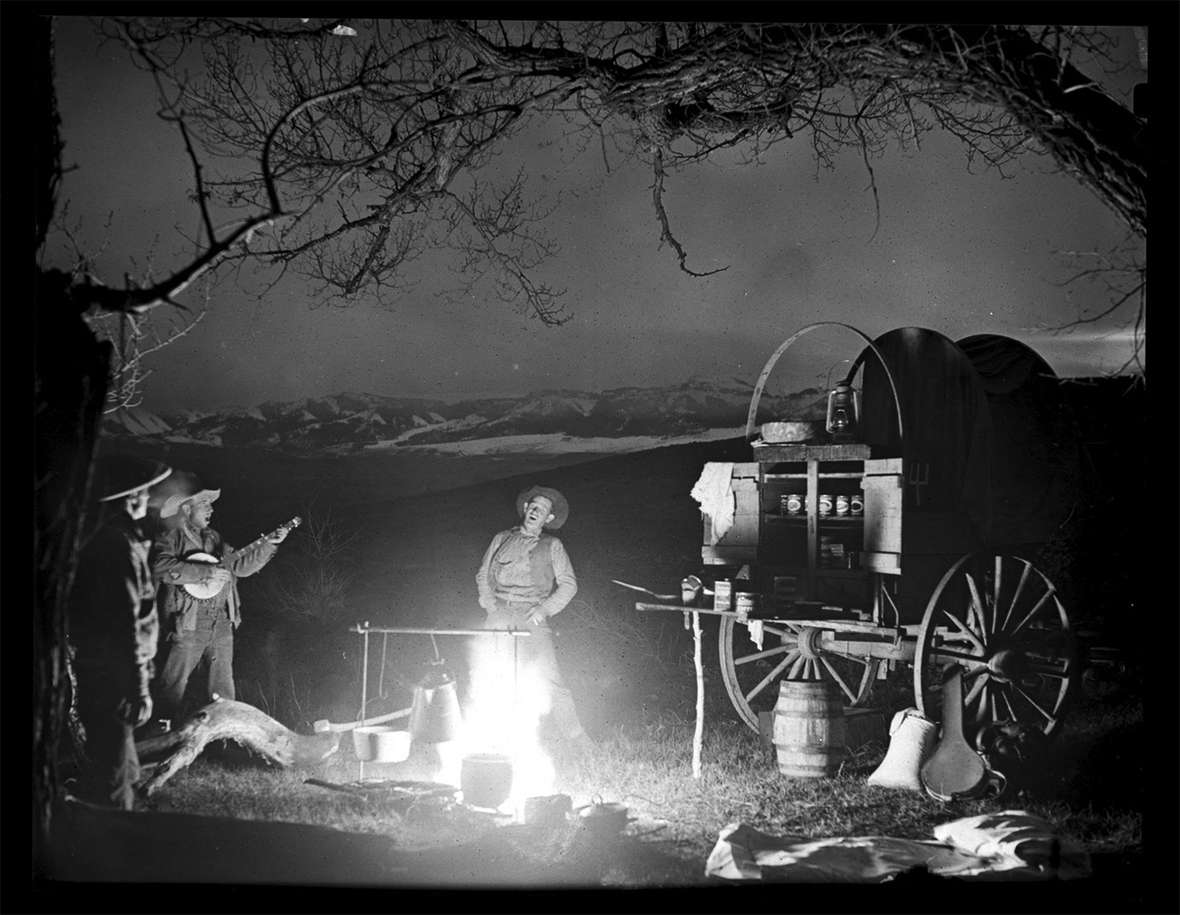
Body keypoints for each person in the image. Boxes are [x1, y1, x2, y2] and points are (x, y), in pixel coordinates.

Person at [67, 454, 172, 809]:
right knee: (115, 778)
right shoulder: (117, 547)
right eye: (145, 493)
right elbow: (125, 623)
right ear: (131, 498)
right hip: (114, 678)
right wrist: (139, 686)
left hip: (103, 673)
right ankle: (111, 853)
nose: (150, 499)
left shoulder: (108, 539)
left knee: (122, 771)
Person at [150, 478, 290, 726]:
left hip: (221, 624)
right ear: (186, 508)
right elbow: (159, 566)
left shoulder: (214, 538)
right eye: (204, 504)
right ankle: (160, 743)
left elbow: (241, 567)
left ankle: (223, 742)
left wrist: (270, 544)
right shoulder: (171, 537)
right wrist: (205, 572)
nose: (211, 509)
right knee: (172, 686)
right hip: (187, 623)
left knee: (222, 690)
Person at [475, 485, 593, 752]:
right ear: (525, 509)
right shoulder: (502, 538)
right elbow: (483, 574)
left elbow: (568, 585)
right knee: (493, 675)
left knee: (550, 679)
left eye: (542, 509)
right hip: (500, 615)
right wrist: (490, 605)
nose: (535, 510)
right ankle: (493, 741)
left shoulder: (553, 545)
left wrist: (544, 610)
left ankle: (578, 740)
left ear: (548, 519)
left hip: (532, 616)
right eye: (532, 505)